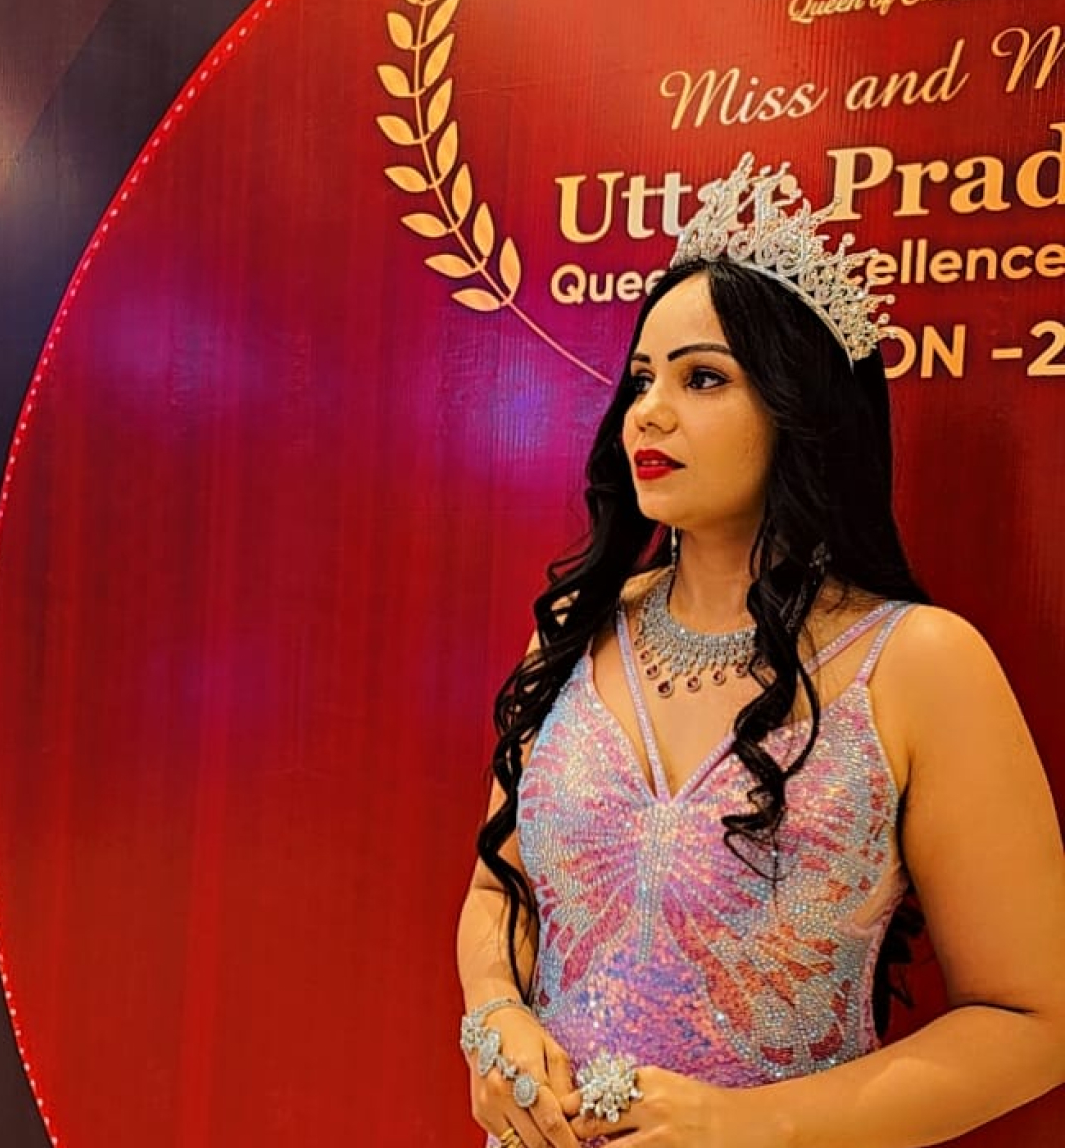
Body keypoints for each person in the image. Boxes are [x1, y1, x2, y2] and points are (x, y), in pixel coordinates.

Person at [455, 154, 1065, 1148]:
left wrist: (750, 1124)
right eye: (642, 379)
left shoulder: (918, 662)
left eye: (703, 378)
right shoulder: (575, 629)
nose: (648, 411)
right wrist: (494, 1023)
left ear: (799, 409)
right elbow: (497, 889)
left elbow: (1034, 1019)